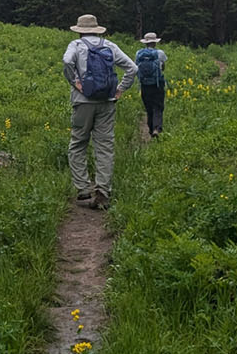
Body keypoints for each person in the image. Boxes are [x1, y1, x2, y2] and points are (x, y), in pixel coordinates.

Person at [62, 13, 137, 210]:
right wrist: (120, 89)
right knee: (104, 146)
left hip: (83, 102)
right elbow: (132, 68)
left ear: (79, 30)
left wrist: (75, 82)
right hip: (107, 101)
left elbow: (67, 61)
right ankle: (103, 191)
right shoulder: (109, 46)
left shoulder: (76, 46)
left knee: (78, 143)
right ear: (97, 29)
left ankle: (83, 188)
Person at [135, 31, 168, 138]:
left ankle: (150, 129)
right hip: (157, 85)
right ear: (155, 42)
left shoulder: (138, 53)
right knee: (158, 107)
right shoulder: (160, 53)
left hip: (144, 85)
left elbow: (136, 67)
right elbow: (163, 68)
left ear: (145, 42)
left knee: (148, 108)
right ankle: (156, 128)